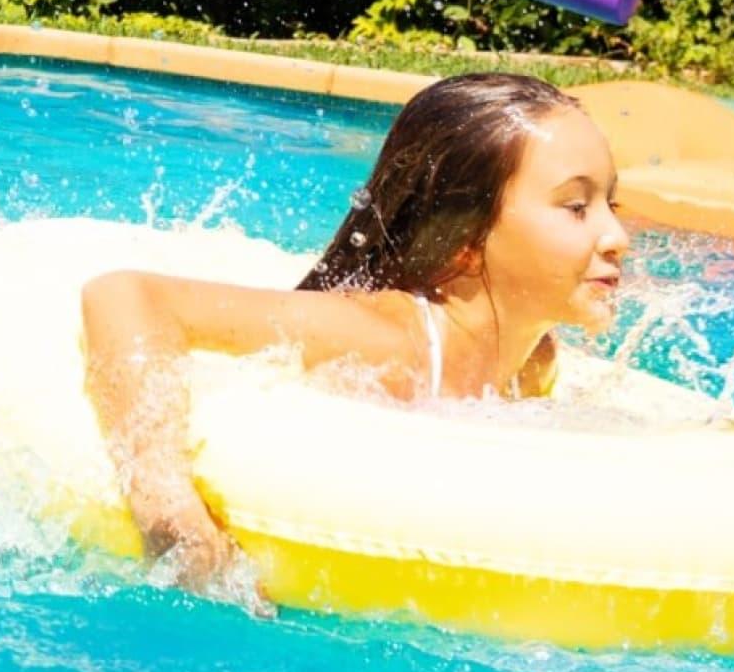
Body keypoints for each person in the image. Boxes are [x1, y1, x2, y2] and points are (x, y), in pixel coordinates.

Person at [79, 72, 633, 602]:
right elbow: (128, 297)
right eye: (577, 207)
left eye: (613, 203)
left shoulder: (533, 361)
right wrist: (168, 510)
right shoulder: (389, 343)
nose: (617, 237)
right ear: (464, 238)